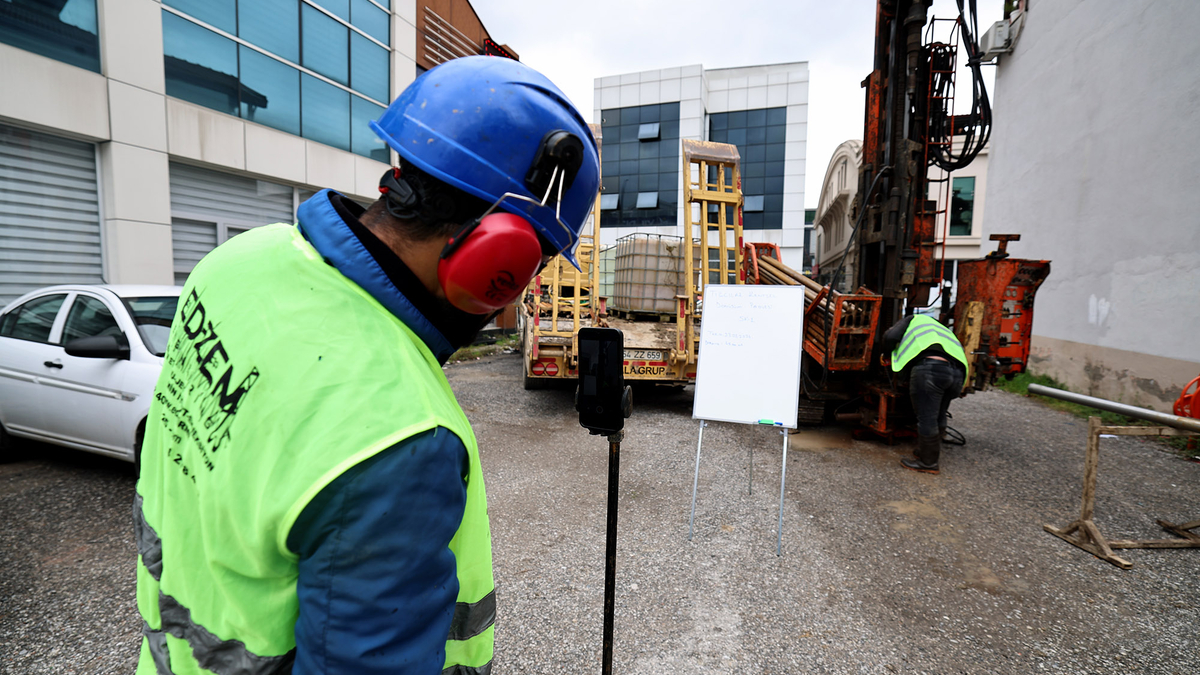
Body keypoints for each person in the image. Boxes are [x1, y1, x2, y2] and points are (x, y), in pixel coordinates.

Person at [133, 56, 599, 675]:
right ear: (499, 257)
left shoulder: (238, 261)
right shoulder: (399, 435)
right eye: (529, 264)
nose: (513, 292)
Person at [882, 313, 969, 474]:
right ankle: (927, 452)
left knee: (927, 417)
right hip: (958, 374)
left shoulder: (913, 319)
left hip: (931, 370)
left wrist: (886, 354)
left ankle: (928, 463)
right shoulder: (942, 330)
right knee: (939, 413)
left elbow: (891, 336)